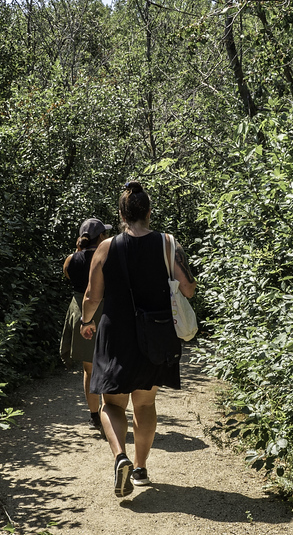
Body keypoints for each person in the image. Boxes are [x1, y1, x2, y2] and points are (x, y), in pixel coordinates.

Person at [80, 181, 195, 497]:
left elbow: (91, 295)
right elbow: (188, 287)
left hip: (116, 336)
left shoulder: (106, 248)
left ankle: (121, 458)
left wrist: (85, 320)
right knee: (145, 404)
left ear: (121, 214)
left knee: (111, 404)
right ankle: (141, 468)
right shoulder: (168, 244)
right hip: (154, 334)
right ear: (148, 212)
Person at [60, 217, 111, 437]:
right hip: (106, 310)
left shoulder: (71, 260)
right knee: (109, 363)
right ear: (101, 237)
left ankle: (93, 416)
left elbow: (68, 276)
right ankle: (110, 411)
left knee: (88, 368)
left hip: (80, 311)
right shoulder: (108, 257)